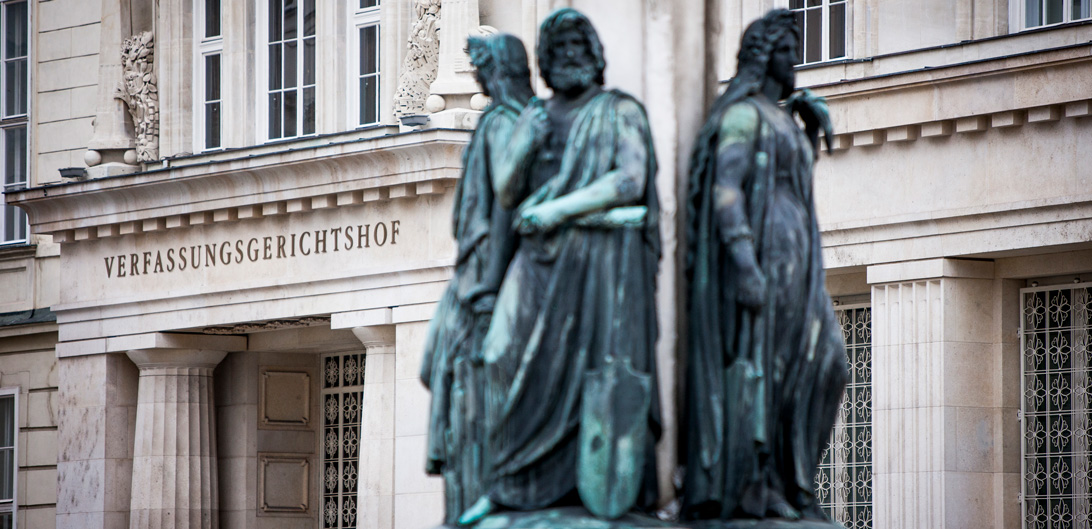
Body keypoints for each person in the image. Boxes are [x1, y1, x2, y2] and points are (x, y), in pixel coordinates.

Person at [457, 8, 662, 524]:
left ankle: (594, 490)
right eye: (558, 48)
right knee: (500, 353)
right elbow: (506, 192)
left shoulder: (619, 110)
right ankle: (508, 482)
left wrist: (555, 210)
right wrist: (524, 142)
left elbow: (628, 181)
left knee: (593, 370)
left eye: (578, 45)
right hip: (538, 259)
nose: (569, 55)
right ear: (544, 61)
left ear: (594, 55)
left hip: (599, 262)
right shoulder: (536, 115)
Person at [682, 9, 848, 523]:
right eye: (787, 48)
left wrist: (806, 127)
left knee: (828, 364)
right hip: (766, 256)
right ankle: (762, 485)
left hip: (798, 261)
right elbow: (725, 190)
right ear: (765, 55)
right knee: (769, 372)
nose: (795, 58)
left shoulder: (781, 116)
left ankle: (795, 481)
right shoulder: (741, 115)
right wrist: (744, 262)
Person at [419, 33, 533, 525]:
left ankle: (472, 504)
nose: (478, 78)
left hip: (483, 280)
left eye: (483, 68)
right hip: (475, 275)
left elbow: (505, 206)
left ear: (502, 69)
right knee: (438, 371)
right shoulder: (501, 121)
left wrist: (489, 287)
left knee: (463, 392)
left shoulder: (505, 123)